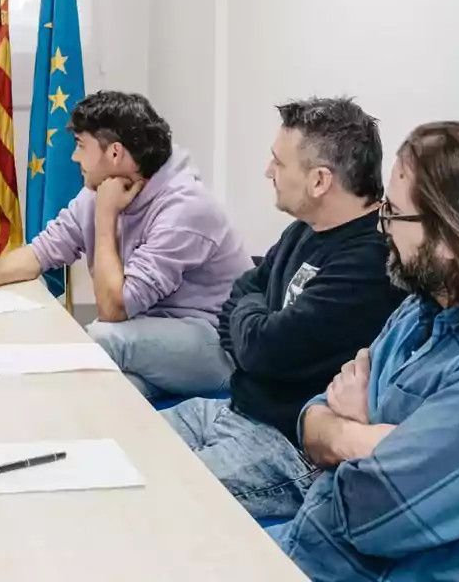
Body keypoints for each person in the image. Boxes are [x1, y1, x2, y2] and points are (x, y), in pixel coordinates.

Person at [163, 98, 406, 520]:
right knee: (123, 443)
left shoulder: (369, 261)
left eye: (279, 162)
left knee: (156, 498)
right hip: (233, 407)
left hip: (285, 445)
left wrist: (253, 331)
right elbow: (241, 295)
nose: (267, 171)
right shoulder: (304, 230)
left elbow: (264, 349)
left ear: (318, 181)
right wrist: (255, 329)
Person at [271, 121, 459, 580]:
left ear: (451, 238)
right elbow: (312, 416)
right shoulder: (418, 308)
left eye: (392, 213)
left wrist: (345, 433)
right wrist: (370, 437)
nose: (381, 227)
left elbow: (369, 515)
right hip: (302, 543)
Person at [0, 91, 252, 398]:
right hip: (148, 338)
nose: (74, 157)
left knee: (102, 337)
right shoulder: (99, 191)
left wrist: (106, 218)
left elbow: (113, 310)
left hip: (216, 347)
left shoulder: (185, 209)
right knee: (98, 392)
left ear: (115, 153)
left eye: (81, 146)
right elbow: (42, 251)